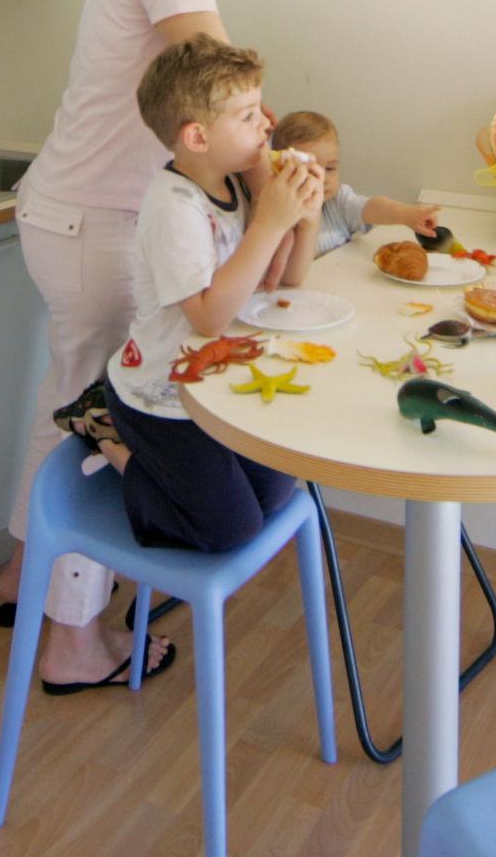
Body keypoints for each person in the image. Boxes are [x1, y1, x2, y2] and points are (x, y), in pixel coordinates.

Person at [0, 0, 299, 691]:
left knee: (68, 401)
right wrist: (281, 180)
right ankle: (72, 643)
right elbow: (216, 84)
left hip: (73, 209)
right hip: (94, 217)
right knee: (104, 414)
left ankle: (27, 584)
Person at [55, 36, 323, 566]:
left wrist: (304, 214)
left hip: (215, 387)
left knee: (277, 491)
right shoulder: (173, 207)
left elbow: (289, 279)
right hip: (159, 397)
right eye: (248, 116)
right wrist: (270, 222)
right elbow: (208, 317)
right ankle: (106, 432)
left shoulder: (237, 184)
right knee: (231, 529)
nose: (267, 125)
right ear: (198, 136)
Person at [269, 110, 441, 256]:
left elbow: (372, 207)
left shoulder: (338, 201)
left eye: (330, 169)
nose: (323, 179)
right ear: (279, 170)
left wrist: (407, 215)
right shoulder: (276, 211)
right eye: (310, 170)